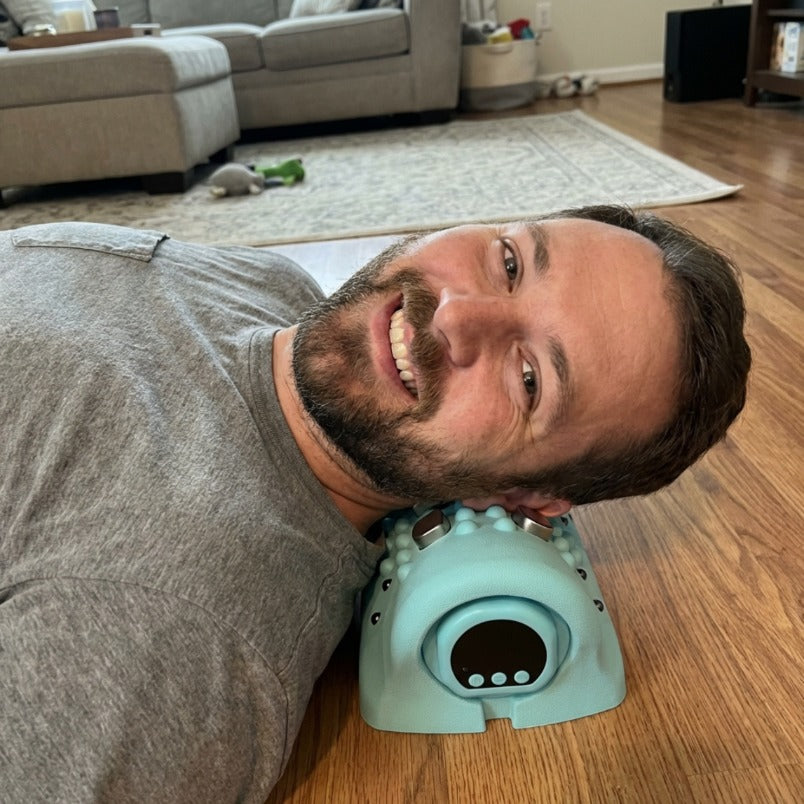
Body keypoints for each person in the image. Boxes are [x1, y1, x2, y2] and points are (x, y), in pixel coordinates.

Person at [0, 206, 750, 801]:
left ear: (524, 496)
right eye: (509, 262)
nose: (455, 313)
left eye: (529, 380)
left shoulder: (172, 631)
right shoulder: (275, 286)